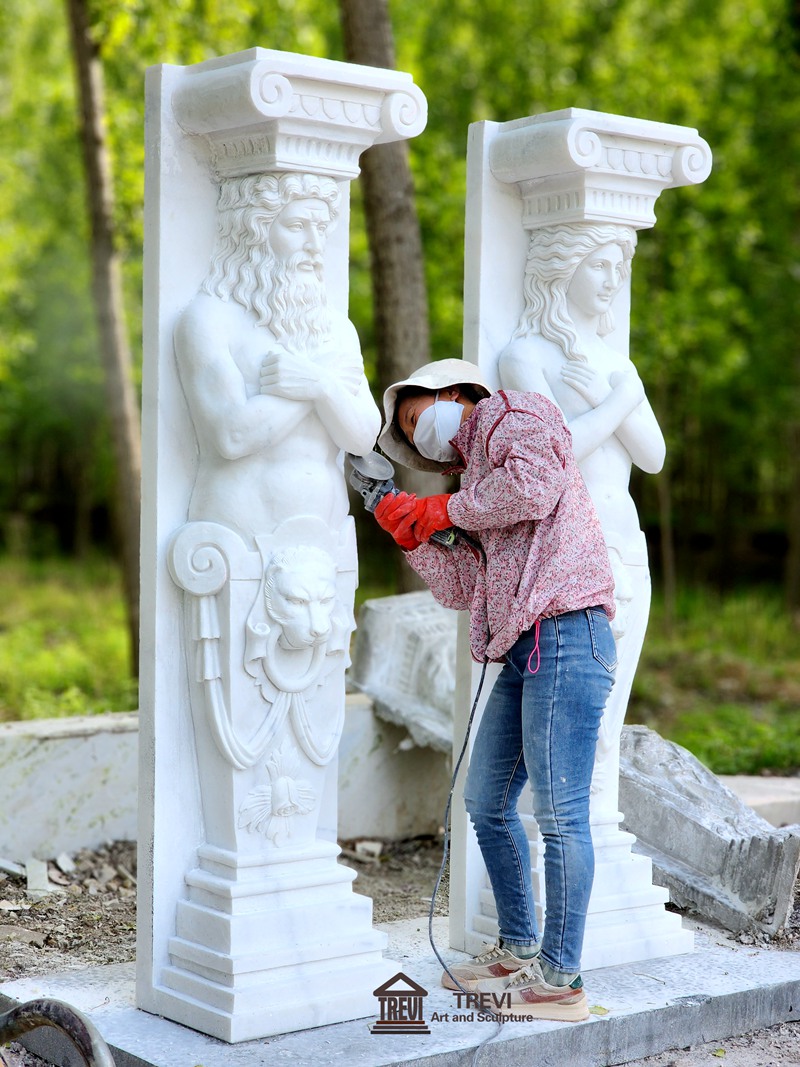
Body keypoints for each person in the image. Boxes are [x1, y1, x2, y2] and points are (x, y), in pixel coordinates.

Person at [374, 357, 617, 1022]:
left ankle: (561, 980)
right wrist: (410, 531)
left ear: (453, 393)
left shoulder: (515, 413)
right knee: (485, 800)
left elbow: (535, 487)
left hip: (568, 632)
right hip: (524, 648)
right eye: (411, 433)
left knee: (562, 814)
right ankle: (518, 948)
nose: (423, 437)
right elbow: (461, 588)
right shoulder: (473, 484)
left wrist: (439, 508)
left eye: (421, 418)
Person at [497, 223, 665, 814]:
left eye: (619, 267)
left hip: (625, 544)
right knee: (566, 714)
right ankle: (562, 837)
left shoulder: (613, 362)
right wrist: (618, 399)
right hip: (565, 556)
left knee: (608, 718)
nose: (613, 280)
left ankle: (595, 831)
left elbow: (654, 454)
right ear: (560, 270)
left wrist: (609, 396)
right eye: (600, 265)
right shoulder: (524, 357)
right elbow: (556, 451)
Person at [174, 171, 380, 547]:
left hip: (325, 538)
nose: (315, 244)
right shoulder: (211, 319)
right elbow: (231, 436)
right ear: (255, 232)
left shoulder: (336, 328)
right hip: (237, 532)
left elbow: (364, 438)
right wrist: (316, 386)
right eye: (297, 226)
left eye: (320, 227)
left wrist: (319, 384)